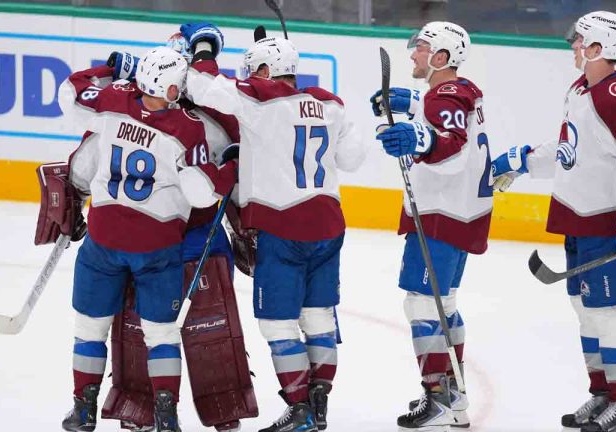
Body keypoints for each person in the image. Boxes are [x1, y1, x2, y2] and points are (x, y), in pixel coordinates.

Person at [179, 22, 365, 432]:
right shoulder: (330, 103)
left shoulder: (259, 99)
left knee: (278, 323)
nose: (247, 79)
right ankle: (319, 401)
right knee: (318, 317)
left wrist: (204, 48)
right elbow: (352, 158)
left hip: (283, 230)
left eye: (252, 72)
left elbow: (204, 85)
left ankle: (299, 407)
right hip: (329, 226)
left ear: (263, 72)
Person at [53, 46, 237, 432]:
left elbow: (72, 91)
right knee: (161, 334)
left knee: (90, 328)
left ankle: (83, 409)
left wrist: (109, 68)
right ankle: (165, 416)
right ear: (173, 90)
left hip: (103, 241)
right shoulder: (189, 127)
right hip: (157, 246)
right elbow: (202, 193)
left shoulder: (113, 101)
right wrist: (229, 168)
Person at [491, 11, 616, 432]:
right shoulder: (581, 88)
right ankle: (603, 395)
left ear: (599, 47)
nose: (573, 45)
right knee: (586, 310)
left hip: (604, 223)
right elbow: (570, 148)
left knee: (611, 312)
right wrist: (524, 161)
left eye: (579, 40)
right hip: (575, 217)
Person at [370, 21, 493, 431]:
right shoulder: (457, 91)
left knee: (422, 305)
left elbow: (450, 142)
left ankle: (437, 397)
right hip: (462, 214)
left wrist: (418, 138)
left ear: (440, 57)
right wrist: (413, 105)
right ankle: (453, 394)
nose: (413, 55)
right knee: (446, 303)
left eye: (421, 49)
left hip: (441, 214)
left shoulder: (444, 98)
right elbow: (445, 117)